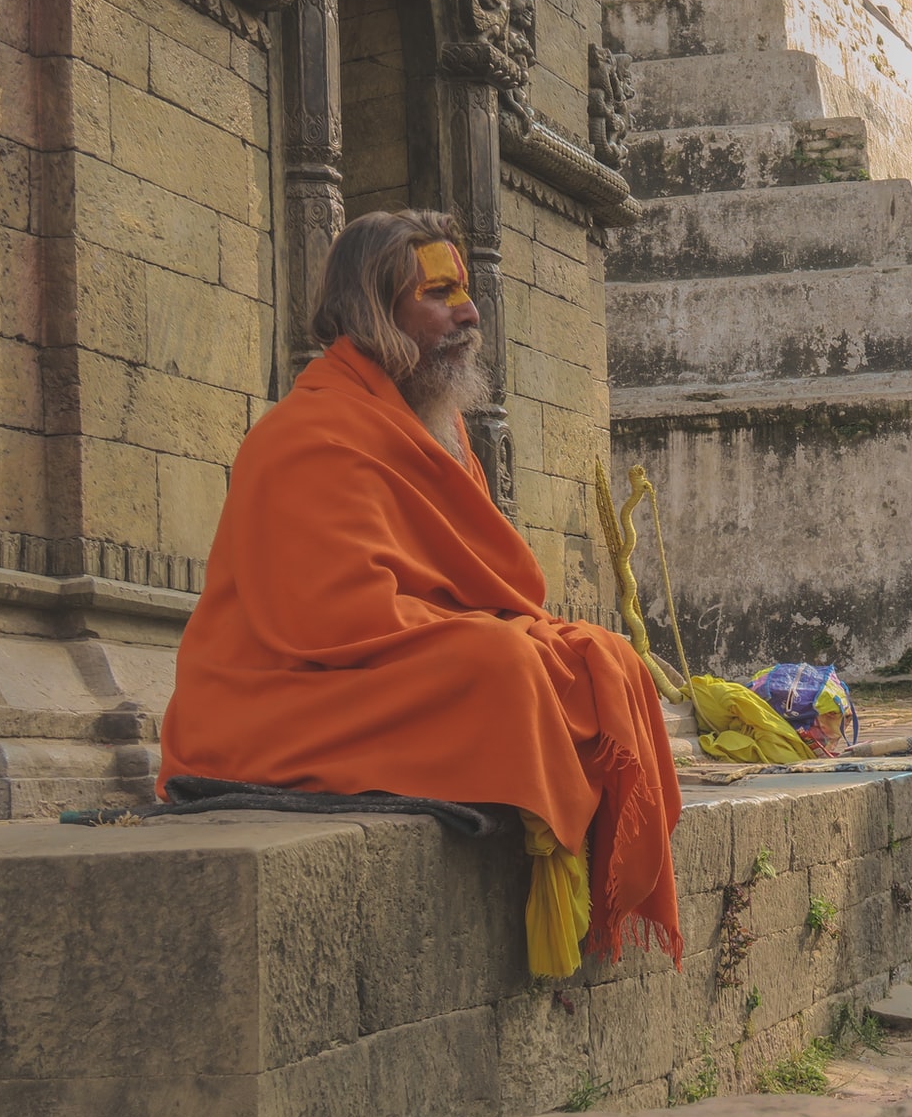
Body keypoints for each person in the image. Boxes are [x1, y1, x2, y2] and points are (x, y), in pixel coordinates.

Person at [158, 209, 682, 974]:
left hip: (383, 665)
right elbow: (336, 619)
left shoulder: (432, 424)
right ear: (376, 312)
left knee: (603, 659)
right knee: (503, 665)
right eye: (438, 294)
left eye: (462, 292)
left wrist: (512, 632)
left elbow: (478, 586)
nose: (469, 312)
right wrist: (497, 636)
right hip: (278, 694)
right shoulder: (308, 435)